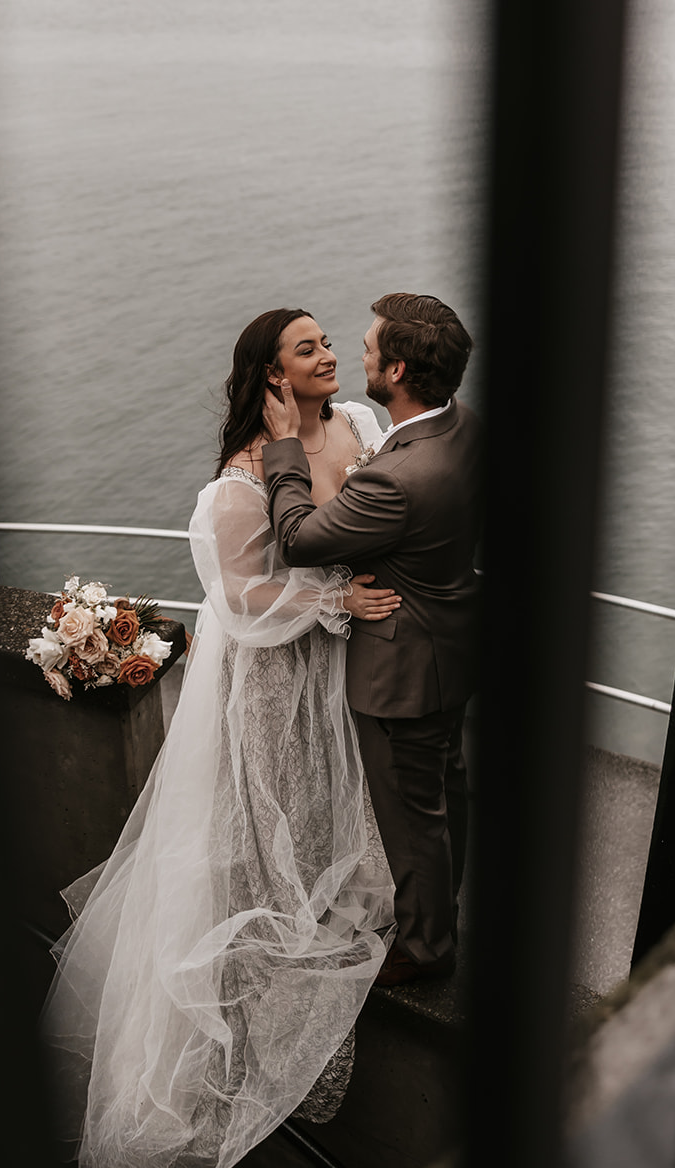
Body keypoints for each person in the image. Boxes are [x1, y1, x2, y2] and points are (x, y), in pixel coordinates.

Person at [41, 308, 399, 1168]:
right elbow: (242, 601)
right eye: (307, 348)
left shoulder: (360, 426)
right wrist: (334, 601)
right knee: (267, 831)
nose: (326, 355)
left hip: (344, 671)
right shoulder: (237, 484)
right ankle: (244, 1037)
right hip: (276, 680)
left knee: (334, 808)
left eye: (324, 342)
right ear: (274, 376)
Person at [262, 293, 481, 988]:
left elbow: (297, 538)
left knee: (413, 816)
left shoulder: (395, 477)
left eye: (363, 348)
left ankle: (425, 950)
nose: (349, 356)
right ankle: (439, 911)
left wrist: (283, 448)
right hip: (449, 645)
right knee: (445, 794)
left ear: (396, 368)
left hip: (401, 672)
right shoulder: (463, 428)